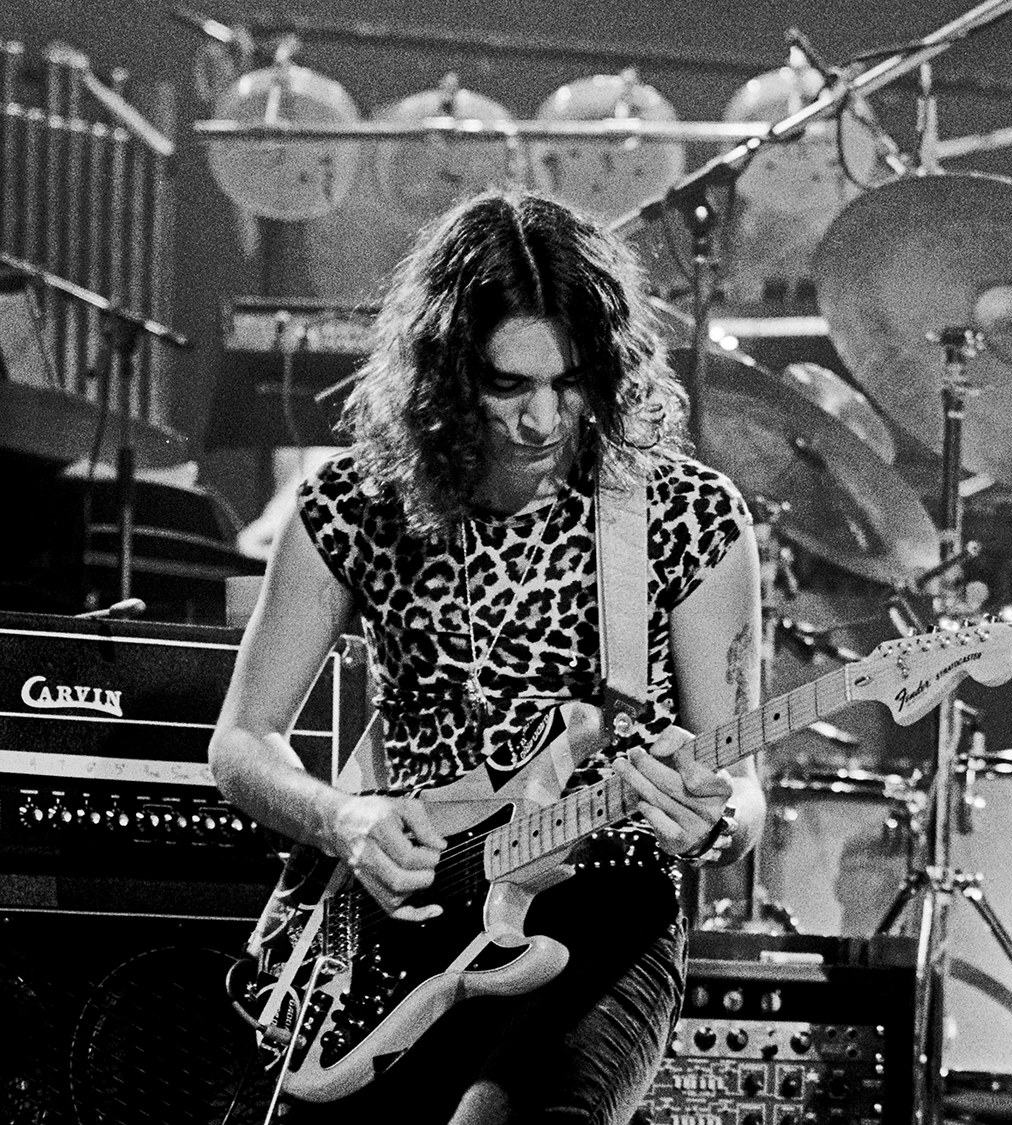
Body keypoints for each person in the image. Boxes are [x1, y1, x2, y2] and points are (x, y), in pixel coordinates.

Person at [209, 189, 765, 1124]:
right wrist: (344, 818)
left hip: (602, 909)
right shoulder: (356, 505)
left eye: (570, 381)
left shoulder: (687, 516)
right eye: (510, 386)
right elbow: (241, 740)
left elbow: (742, 790)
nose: (545, 419)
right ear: (445, 375)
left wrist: (706, 823)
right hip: (394, 918)